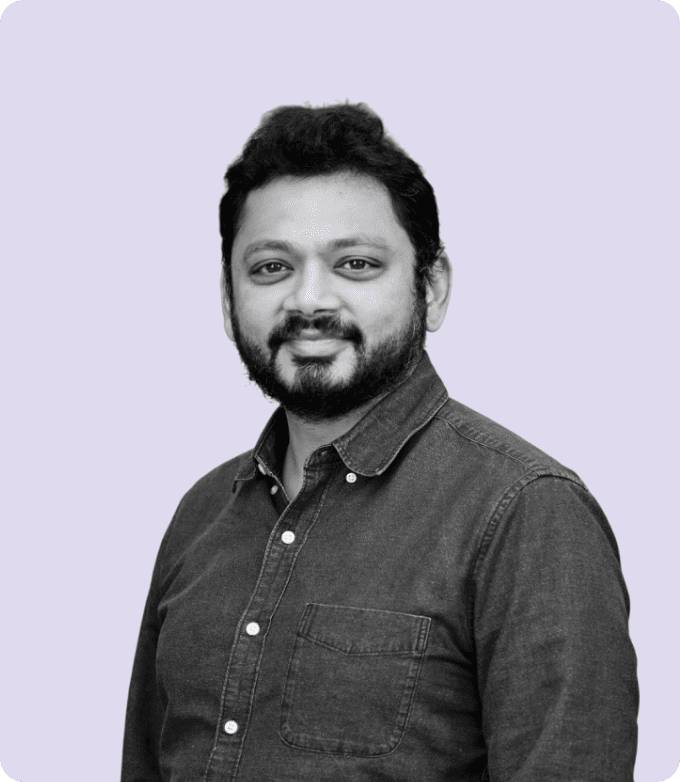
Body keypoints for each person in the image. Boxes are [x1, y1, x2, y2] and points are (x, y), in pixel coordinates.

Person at [121, 103, 638, 781]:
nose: (310, 300)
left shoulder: (526, 514)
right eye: (271, 268)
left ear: (433, 287)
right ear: (228, 300)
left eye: (356, 264)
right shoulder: (202, 513)